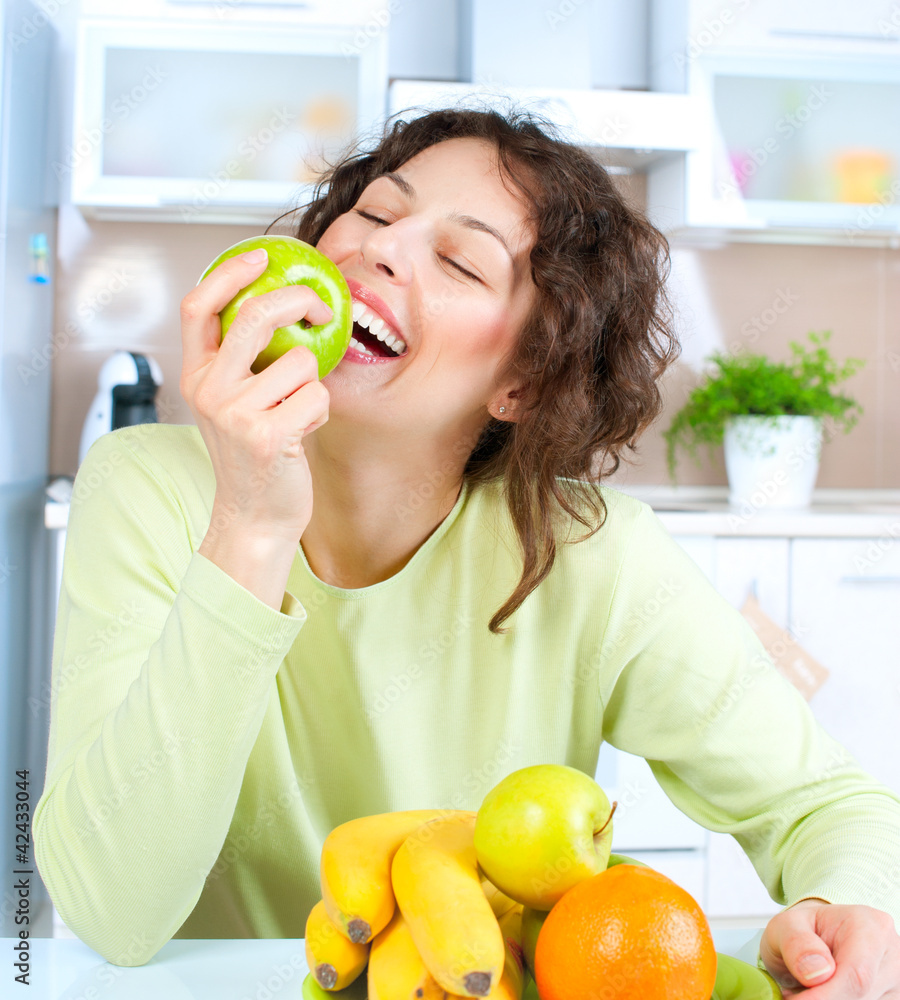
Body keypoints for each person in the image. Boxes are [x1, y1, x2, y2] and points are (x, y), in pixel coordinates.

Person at [34, 106, 900, 996]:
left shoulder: (590, 555)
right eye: (372, 214)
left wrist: (850, 913)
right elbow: (112, 912)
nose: (379, 248)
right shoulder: (147, 489)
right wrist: (250, 530)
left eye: (458, 259)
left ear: (523, 381)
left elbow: (830, 807)